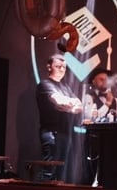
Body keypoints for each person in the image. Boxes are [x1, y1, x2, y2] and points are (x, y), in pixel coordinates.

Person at [35, 53, 82, 181]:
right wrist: (69, 105)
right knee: (49, 170)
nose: (62, 69)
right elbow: (59, 102)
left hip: (65, 133)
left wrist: (68, 106)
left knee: (62, 172)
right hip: (51, 133)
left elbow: (79, 106)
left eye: (64, 67)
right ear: (49, 67)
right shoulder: (45, 84)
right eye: (58, 66)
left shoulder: (65, 87)